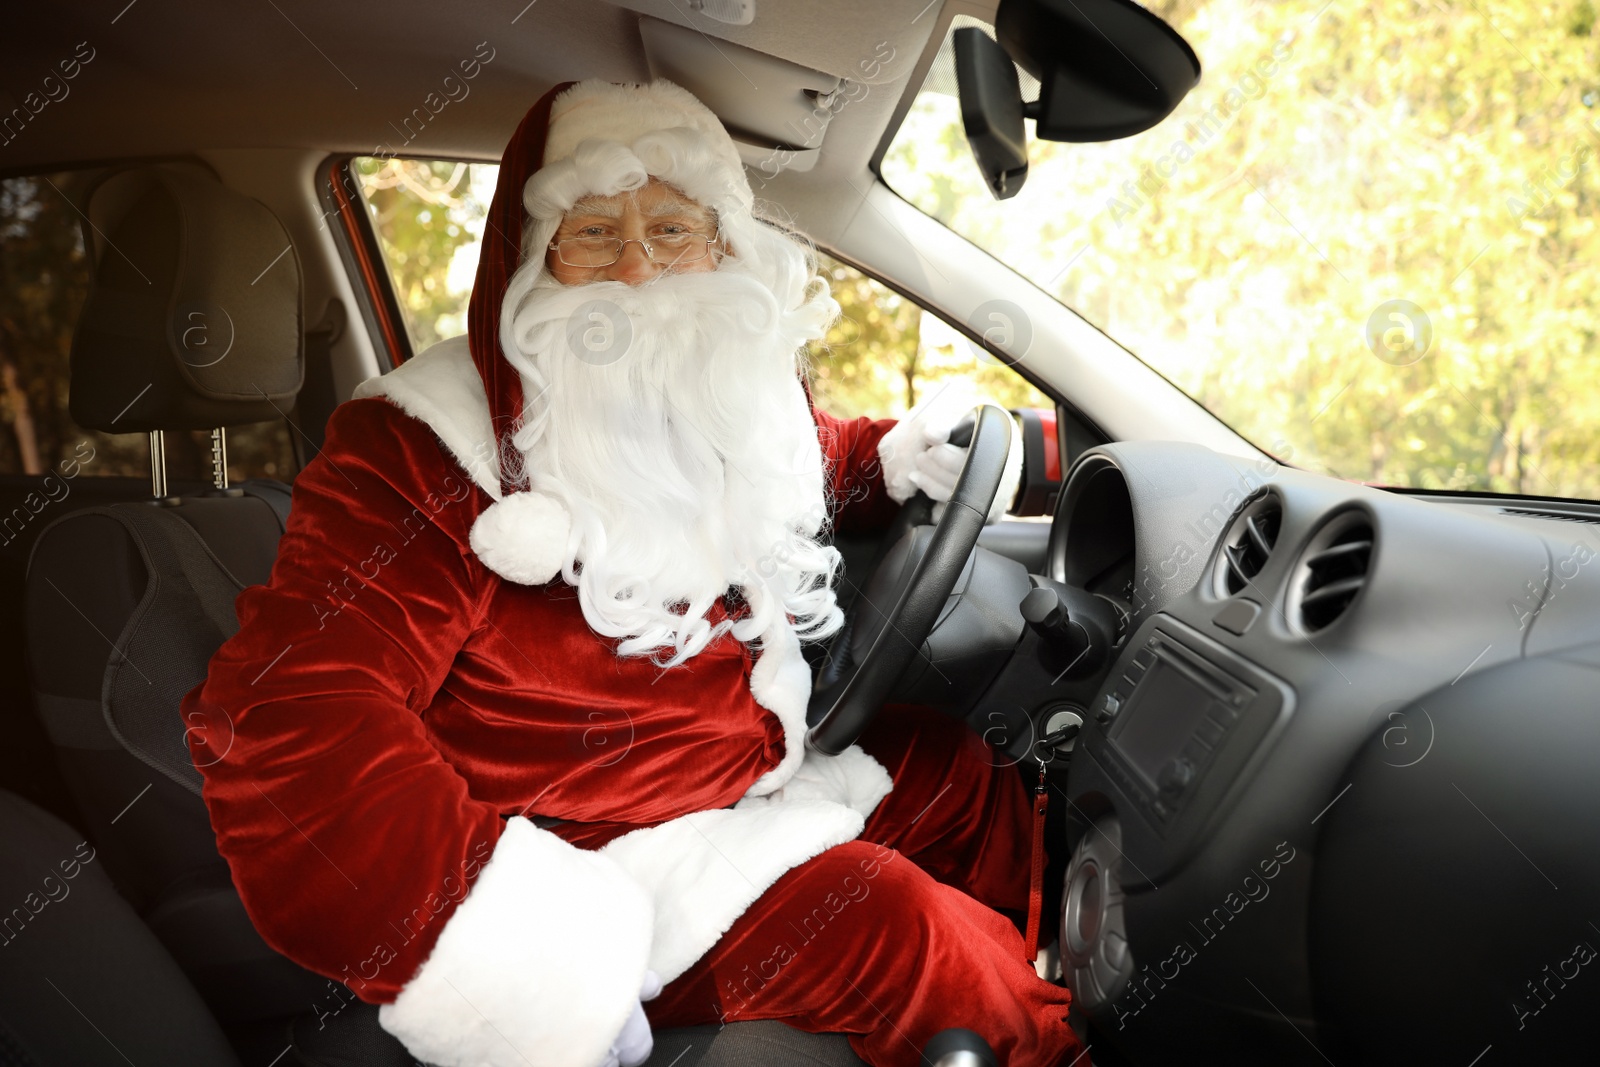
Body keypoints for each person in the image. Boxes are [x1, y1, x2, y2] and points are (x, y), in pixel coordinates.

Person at [180, 79, 1083, 1067]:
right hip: (598, 861)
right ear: (535, 263)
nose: (641, 272)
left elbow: (792, 463)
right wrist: (520, 961)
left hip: (751, 775)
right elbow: (287, 720)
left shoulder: (715, 377)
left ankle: (1084, 963)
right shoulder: (417, 448)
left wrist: (897, 459)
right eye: (595, 234)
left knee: (955, 771)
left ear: (722, 247)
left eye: (671, 228)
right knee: (904, 930)